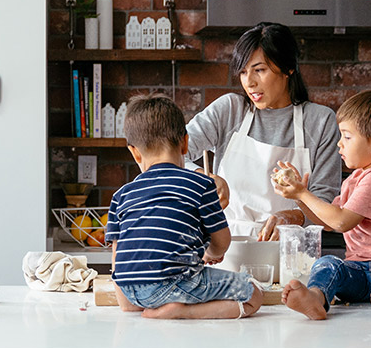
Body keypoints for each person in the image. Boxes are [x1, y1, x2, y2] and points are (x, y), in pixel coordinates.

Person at [271, 89, 371, 323]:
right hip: (360, 272)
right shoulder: (356, 178)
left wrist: (304, 194)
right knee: (327, 263)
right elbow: (329, 223)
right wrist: (299, 198)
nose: (339, 144)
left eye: (347, 137)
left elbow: (341, 221)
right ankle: (316, 298)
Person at [105, 94, 263, 319]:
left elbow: (117, 257)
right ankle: (183, 311)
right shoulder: (201, 184)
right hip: (178, 284)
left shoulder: (120, 195)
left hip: (131, 293)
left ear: (134, 152)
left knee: (151, 290)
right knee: (252, 293)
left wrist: (127, 303)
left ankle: (159, 305)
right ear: (185, 143)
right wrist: (210, 253)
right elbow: (222, 242)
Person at [184, 22, 342, 240]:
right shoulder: (230, 110)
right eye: (243, 72)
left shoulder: (320, 121)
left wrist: (291, 217)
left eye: (259, 70)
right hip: (227, 249)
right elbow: (168, 154)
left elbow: (326, 204)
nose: (249, 82)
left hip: (290, 250)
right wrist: (203, 178)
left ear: (288, 68)